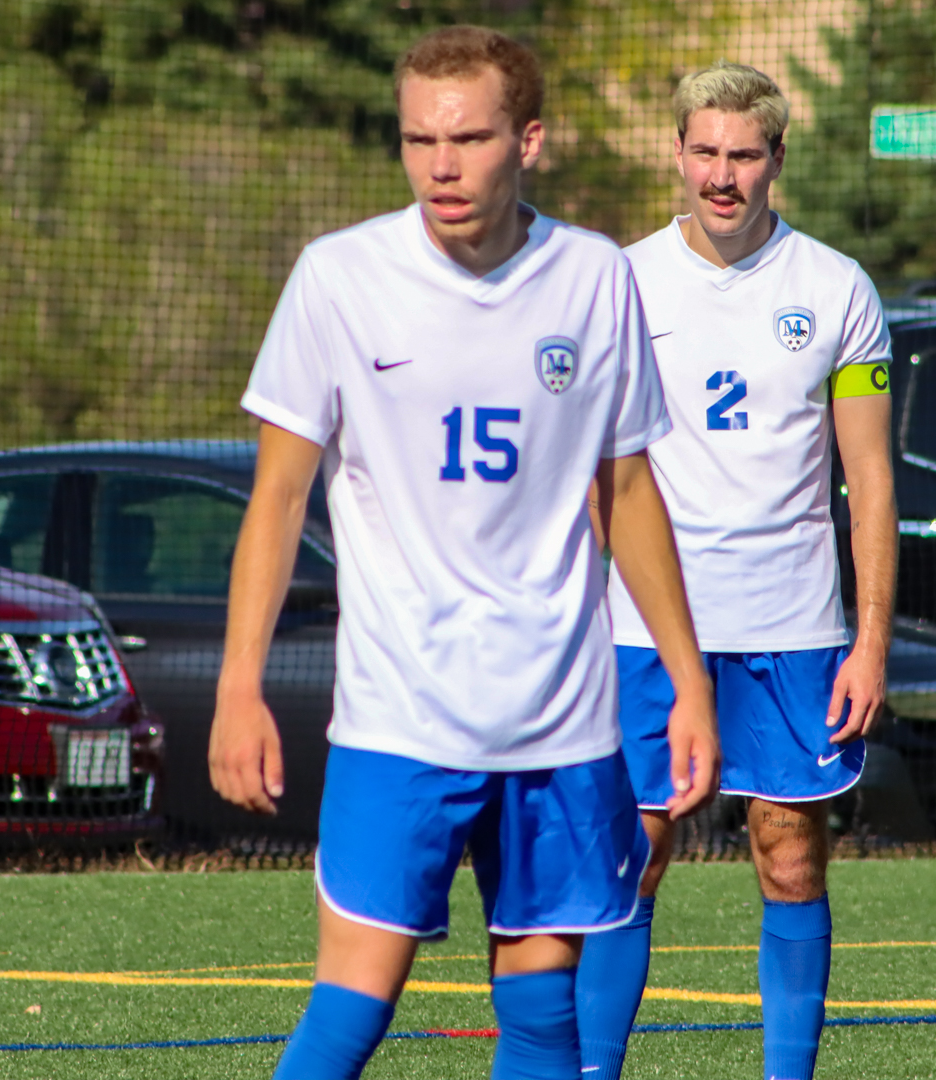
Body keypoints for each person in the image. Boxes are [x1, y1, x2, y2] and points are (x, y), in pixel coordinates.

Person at [207, 27, 720, 1080]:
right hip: (401, 719)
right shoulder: (339, 278)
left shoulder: (591, 278)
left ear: (528, 141)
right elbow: (276, 499)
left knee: (542, 1028)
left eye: (471, 137)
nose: (441, 164)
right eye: (418, 139)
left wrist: (687, 675)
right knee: (349, 1019)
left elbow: (625, 489)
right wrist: (238, 687)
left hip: (562, 722)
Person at [573, 62, 897, 1080]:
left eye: (744, 156)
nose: (723, 176)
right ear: (677, 152)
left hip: (793, 629)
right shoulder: (618, 283)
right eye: (705, 152)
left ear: (776, 162)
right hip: (641, 630)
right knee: (635, 856)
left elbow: (870, 482)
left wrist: (871, 640)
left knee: (789, 855)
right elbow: (593, 476)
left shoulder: (836, 288)